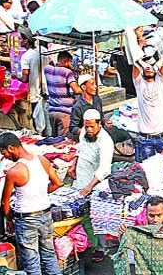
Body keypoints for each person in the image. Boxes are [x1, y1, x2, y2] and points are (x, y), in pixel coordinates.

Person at [0, 132, 62, 275]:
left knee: (31, 261)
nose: (5, 157)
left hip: (26, 219)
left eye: (4, 153)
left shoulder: (14, 171)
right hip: (45, 214)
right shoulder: (42, 160)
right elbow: (57, 183)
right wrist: (40, 193)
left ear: (11, 148)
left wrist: (9, 220)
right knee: (49, 256)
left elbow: (4, 202)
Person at [68, 109, 114, 262]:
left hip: (95, 183)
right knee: (78, 214)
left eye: (91, 127)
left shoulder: (106, 141)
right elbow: (80, 149)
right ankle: (81, 242)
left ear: (99, 124)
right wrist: (74, 165)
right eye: (86, 126)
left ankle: (101, 248)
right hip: (80, 179)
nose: (88, 130)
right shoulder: (84, 133)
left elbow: (104, 169)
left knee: (96, 216)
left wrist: (89, 186)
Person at [131, 42, 163, 162]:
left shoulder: (160, 81)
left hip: (162, 137)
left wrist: (160, 51)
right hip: (145, 138)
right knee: (148, 169)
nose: (149, 68)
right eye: (146, 66)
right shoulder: (139, 83)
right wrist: (139, 49)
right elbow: (135, 67)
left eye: (151, 65)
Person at [45, 51, 82, 136]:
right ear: (65, 60)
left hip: (51, 111)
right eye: (70, 62)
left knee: (54, 139)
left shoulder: (47, 69)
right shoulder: (67, 72)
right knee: (63, 141)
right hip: (64, 113)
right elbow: (77, 90)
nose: (70, 65)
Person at [69, 74, 113, 139]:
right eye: (92, 84)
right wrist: (87, 131)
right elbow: (72, 127)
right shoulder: (78, 107)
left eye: (95, 84)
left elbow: (100, 117)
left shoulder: (97, 100)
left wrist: (105, 121)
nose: (95, 87)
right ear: (84, 87)